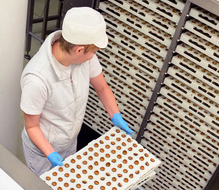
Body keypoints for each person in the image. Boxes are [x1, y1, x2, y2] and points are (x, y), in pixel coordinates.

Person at [20, 6, 134, 175]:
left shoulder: (85, 57)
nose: (94, 55)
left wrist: (115, 115)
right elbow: (31, 127)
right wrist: (51, 153)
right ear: (79, 50)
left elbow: (101, 87)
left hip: (68, 140)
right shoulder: (37, 79)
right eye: (94, 51)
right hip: (42, 150)